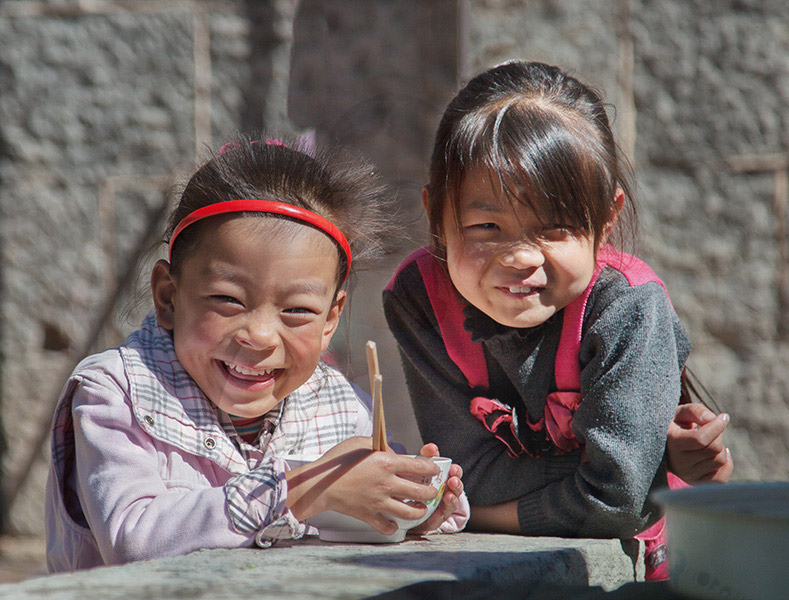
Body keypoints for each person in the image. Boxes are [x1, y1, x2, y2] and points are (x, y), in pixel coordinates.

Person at [45, 134, 468, 573]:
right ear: (168, 297)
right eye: (228, 300)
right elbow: (132, 541)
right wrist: (301, 490)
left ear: (330, 319)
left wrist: (411, 507)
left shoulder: (339, 406)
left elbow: (364, 509)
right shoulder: (115, 393)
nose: (261, 336)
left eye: (298, 310)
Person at [383, 61, 731, 580]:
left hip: (658, 568)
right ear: (437, 216)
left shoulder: (628, 307)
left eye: (554, 228)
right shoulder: (420, 299)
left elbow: (618, 502)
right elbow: (468, 473)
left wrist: (472, 515)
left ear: (606, 218)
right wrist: (642, 463)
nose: (520, 258)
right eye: (486, 225)